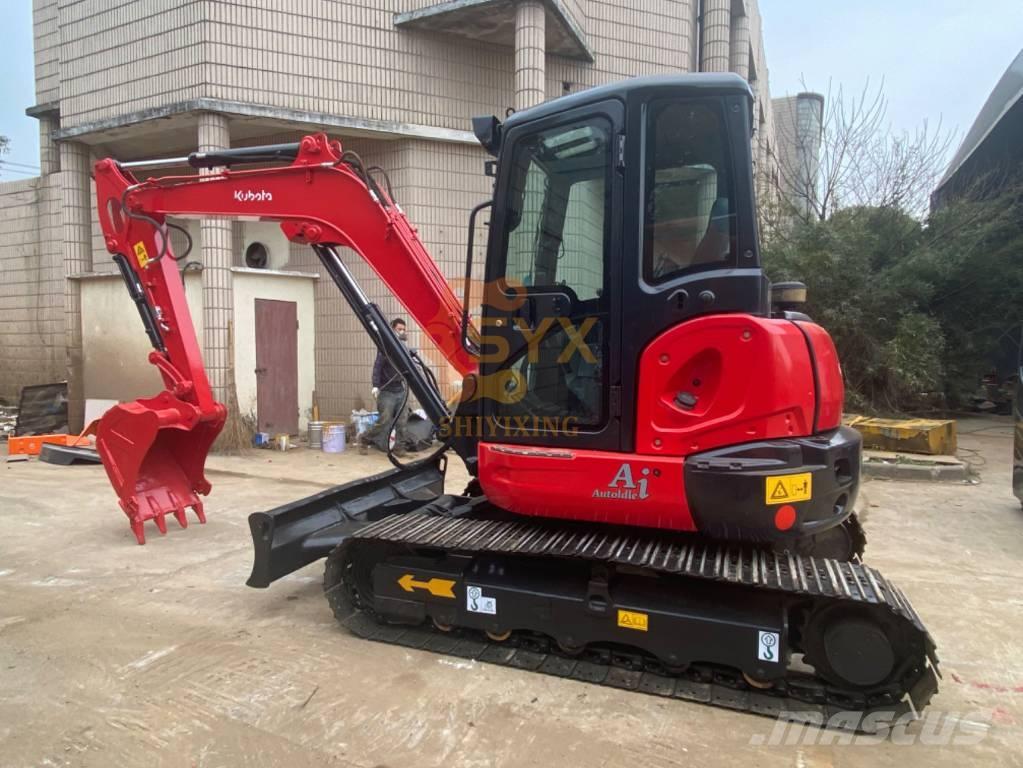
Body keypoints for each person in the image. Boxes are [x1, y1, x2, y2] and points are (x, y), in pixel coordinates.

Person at [360, 318, 411, 455]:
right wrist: (376, 386)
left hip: (400, 390)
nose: (402, 332)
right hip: (387, 391)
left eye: (404, 330)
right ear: (392, 330)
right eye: (399, 329)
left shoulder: (403, 348)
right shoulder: (385, 348)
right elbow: (377, 367)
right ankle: (365, 438)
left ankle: (399, 447)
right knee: (384, 420)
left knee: (402, 420)